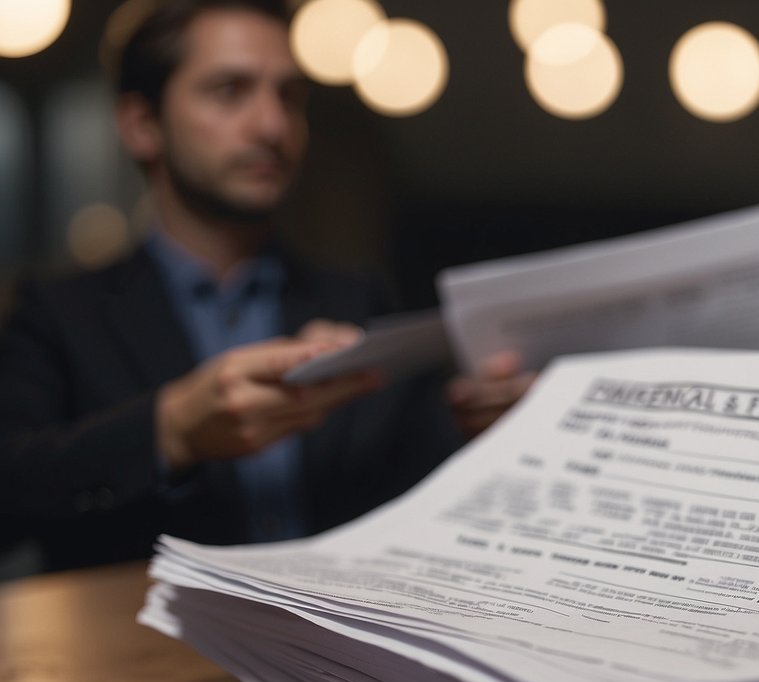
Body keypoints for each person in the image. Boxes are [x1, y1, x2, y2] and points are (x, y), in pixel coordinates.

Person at [0, 0, 531, 571]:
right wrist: (171, 429)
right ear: (142, 126)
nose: (273, 126)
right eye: (230, 91)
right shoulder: (58, 314)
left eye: (289, 97)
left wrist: (477, 425)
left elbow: (410, 480)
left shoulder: (356, 298)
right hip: (142, 653)